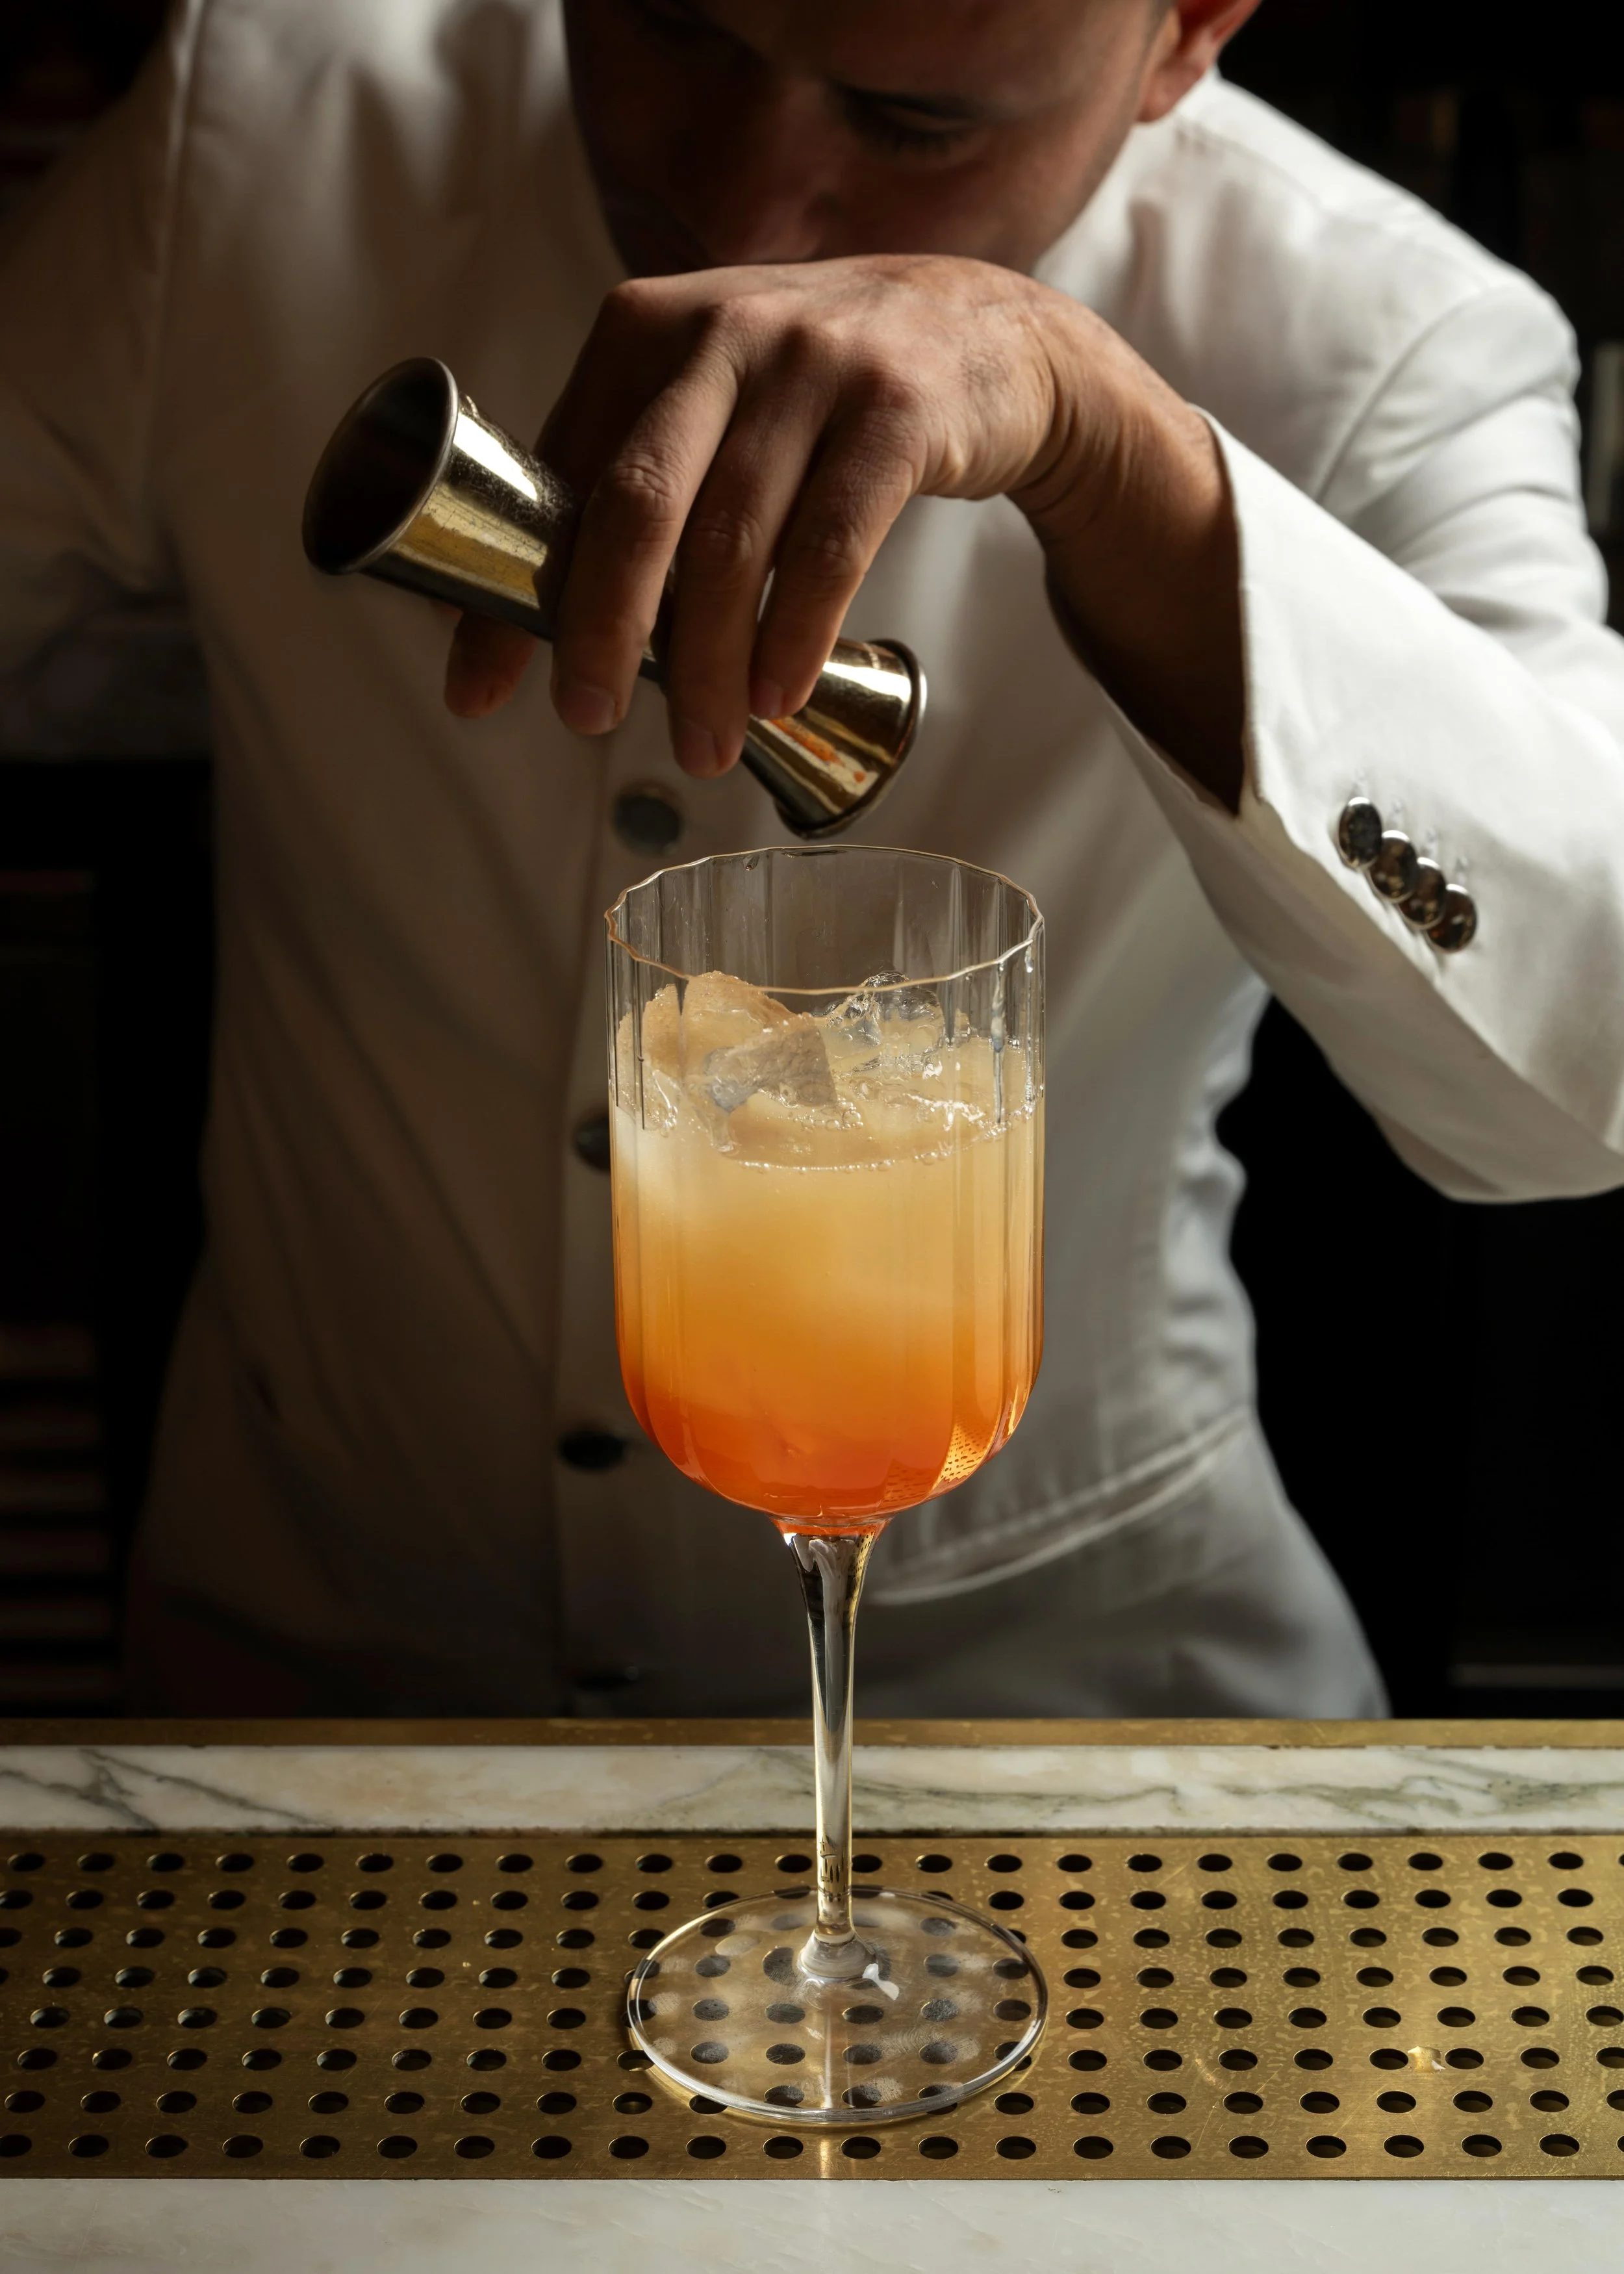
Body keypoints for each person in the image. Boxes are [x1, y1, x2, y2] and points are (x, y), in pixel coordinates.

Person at [3, 0, 1621, 1718]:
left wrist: (1098, 438)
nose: (748, 215)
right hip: (304, 1689)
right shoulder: (247, 129)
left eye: (917, 127)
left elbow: (1575, 1076)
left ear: (1182, 35)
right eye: (672, 33)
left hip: (1068, 1706)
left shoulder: (1385, 332)